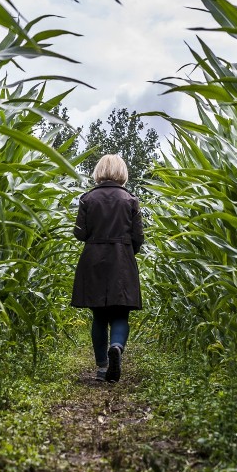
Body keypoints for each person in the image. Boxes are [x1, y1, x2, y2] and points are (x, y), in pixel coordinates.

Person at [71, 154, 144, 383]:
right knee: (121, 312)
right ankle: (117, 347)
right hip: (122, 259)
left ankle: (102, 368)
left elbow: (79, 233)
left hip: (93, 259)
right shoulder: (130, 200)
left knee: (99, 315)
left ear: (99, 171)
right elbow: (138, 237)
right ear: (122, 172)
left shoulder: (87, 199)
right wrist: (127, 249)